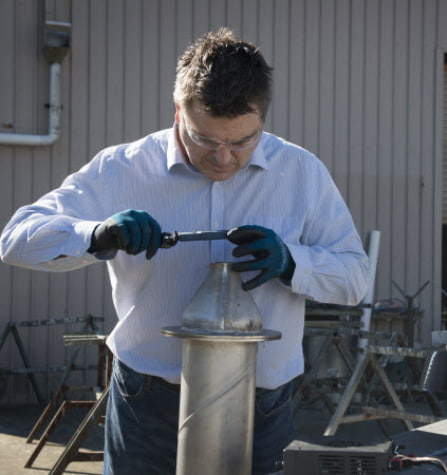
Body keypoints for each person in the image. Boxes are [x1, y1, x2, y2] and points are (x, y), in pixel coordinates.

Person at [0, 28, 368, 474]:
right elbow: (15, 239)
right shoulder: (122, 168)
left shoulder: (302, 173)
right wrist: (95, 234)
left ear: (263, 120)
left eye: (242, 141)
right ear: (178, 112)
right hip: (149, 405)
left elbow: (354, 279)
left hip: (262, 406)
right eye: (206, 140)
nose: (224, 158)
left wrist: (295, 262)